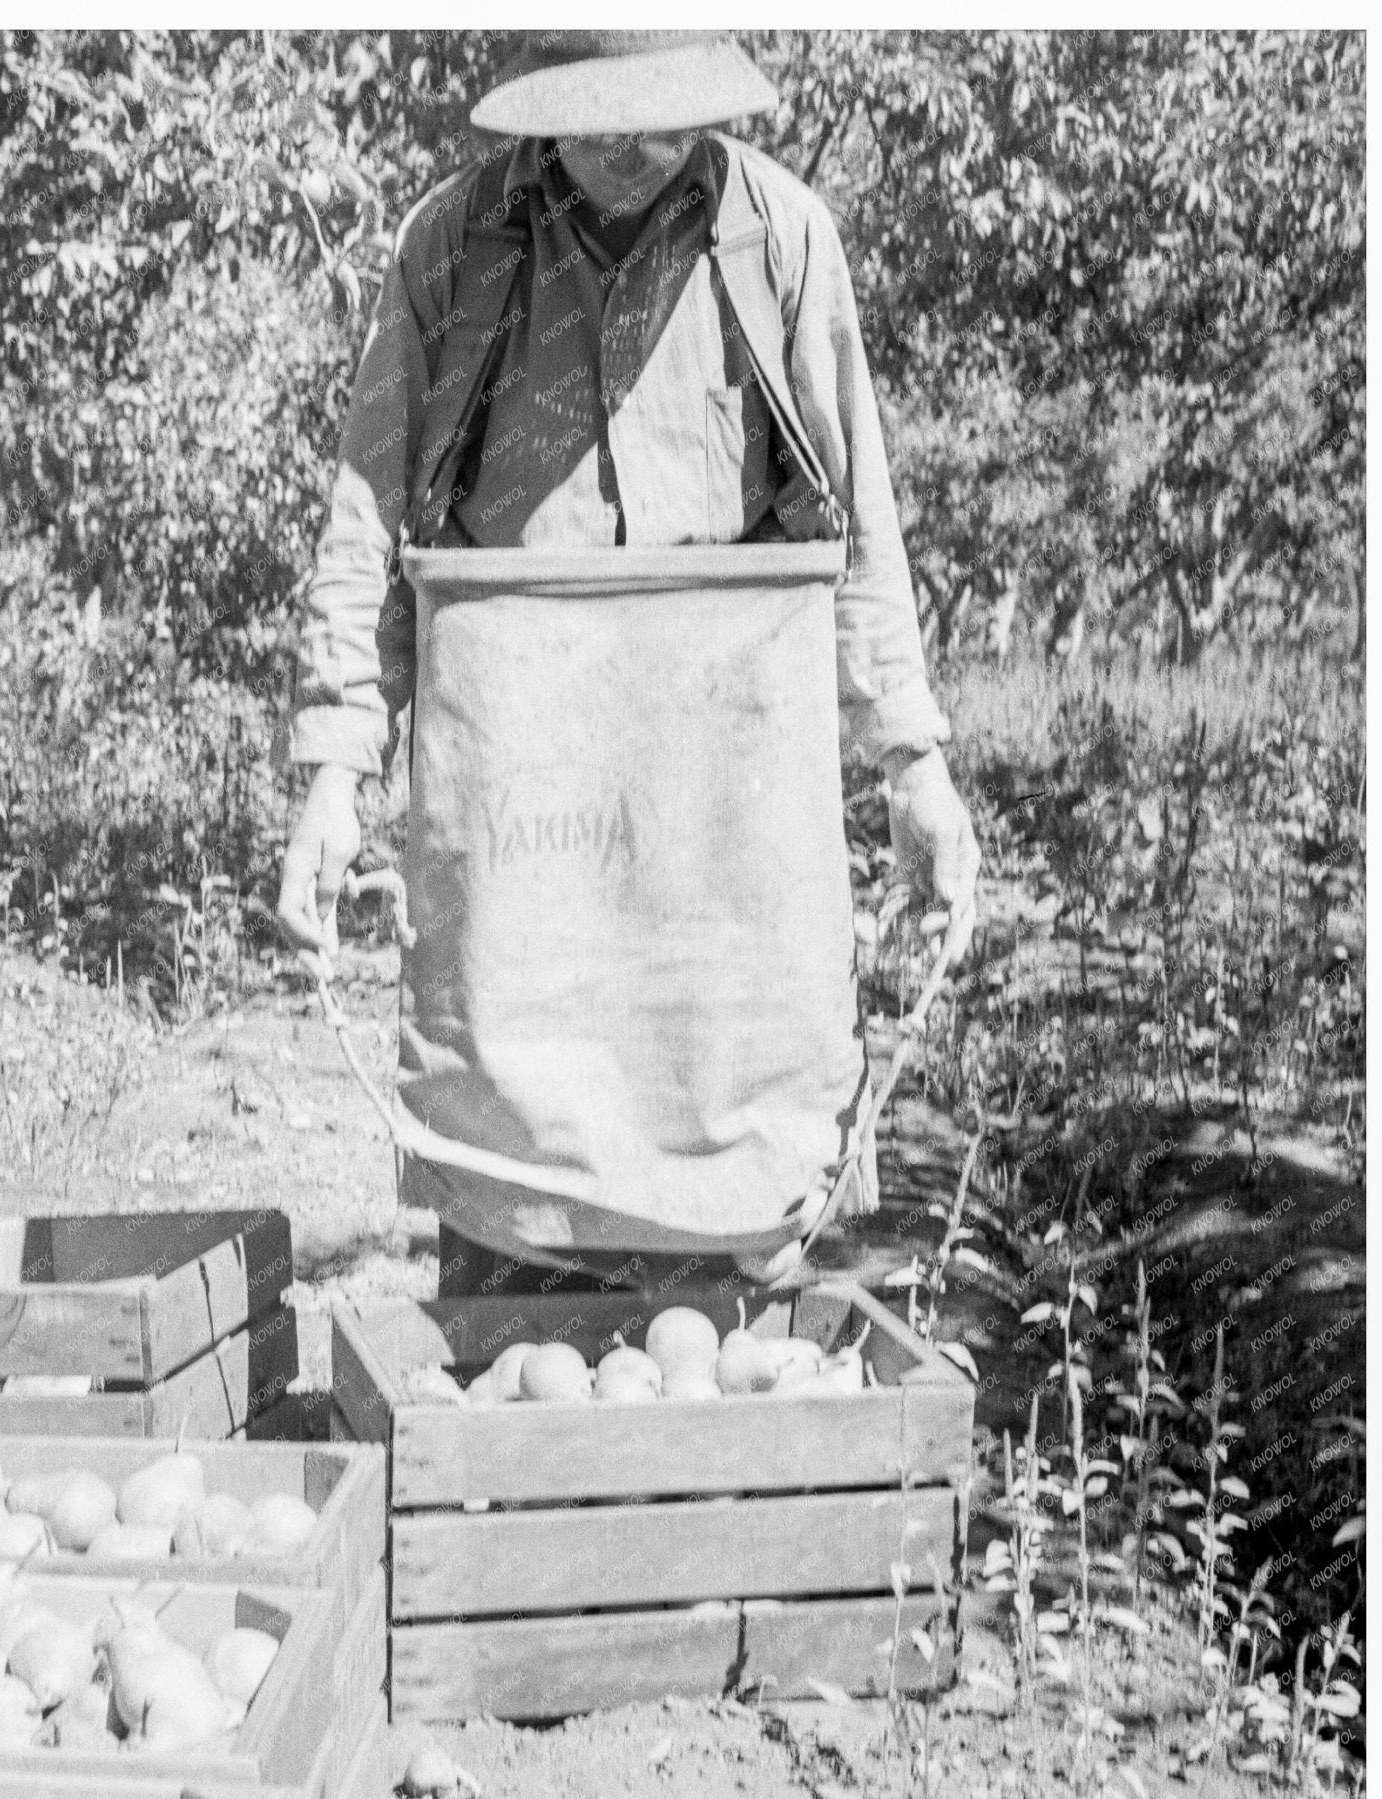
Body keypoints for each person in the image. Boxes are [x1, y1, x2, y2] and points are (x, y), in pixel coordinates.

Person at [275, 31, 981, 1295]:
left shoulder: (779, 239)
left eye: (658, 122)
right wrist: (334, 767)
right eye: (597, 119)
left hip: (723, 817)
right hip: (520, 821)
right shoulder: (455, 244)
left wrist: (911, 765)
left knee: (735, 1230)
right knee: (511, 1220)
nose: (626, 151)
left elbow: (858, 525)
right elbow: (366, 513)